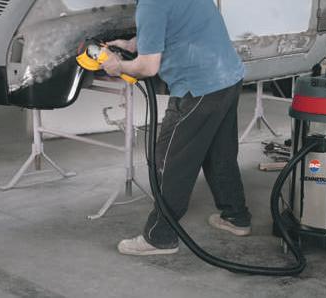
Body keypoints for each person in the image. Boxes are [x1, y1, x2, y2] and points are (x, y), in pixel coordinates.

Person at [101, 0, 252, 256]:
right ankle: (236, 217)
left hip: (199, 87)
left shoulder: (150, 5)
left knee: (170, 160)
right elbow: (176, 24)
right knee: (219, 153)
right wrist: (131, 45)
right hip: (228, 77)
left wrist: (118, 67)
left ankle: (160, 236)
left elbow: (148, 67)